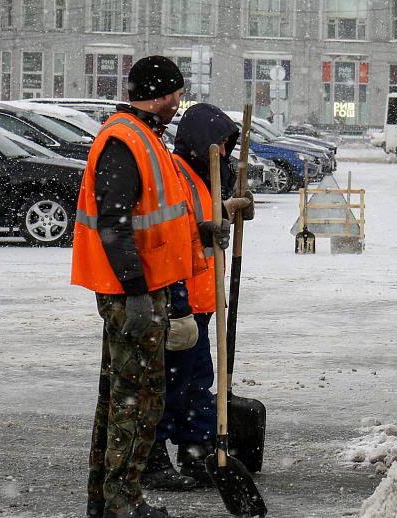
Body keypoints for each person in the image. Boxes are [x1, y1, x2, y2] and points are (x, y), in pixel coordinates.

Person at [73, 55, 227, 518]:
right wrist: (136, 290)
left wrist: (202, 233)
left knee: (126, 395)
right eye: (177, 92)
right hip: (131, 294)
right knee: (134, 398)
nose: (180, 101)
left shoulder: (145, 138)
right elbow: (114, 223)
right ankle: (122, 503)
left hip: (144, 288)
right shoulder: (124, 140)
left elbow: (154, 223)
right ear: (159, 94)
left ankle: (107, 501)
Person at [141, 103, 252, 491]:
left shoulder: (203, 177)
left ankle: (196, 451)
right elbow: (175, 228)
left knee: (197, 383)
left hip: (204, 302)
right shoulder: (177, 173)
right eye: (219, 144)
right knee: (167, 385)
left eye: (227, 144)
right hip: (179, 296)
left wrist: (226, 211)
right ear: (200, 142)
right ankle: (151, 459)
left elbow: (201, 217)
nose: (224, 152)